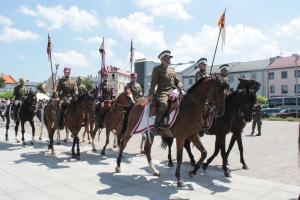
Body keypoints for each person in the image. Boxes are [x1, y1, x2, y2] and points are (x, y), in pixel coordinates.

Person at [148, 50, 182, 135]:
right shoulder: (157, 69)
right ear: (162, 59)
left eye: (169, 58)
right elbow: (153, 83)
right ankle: (157, 125)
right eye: (167, 58)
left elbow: (177, 80)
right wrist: (151, 95)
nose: (169, 59)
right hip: (162, 92)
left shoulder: (172, 70)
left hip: (174, 91)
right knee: (164, 104)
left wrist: (180, 84)